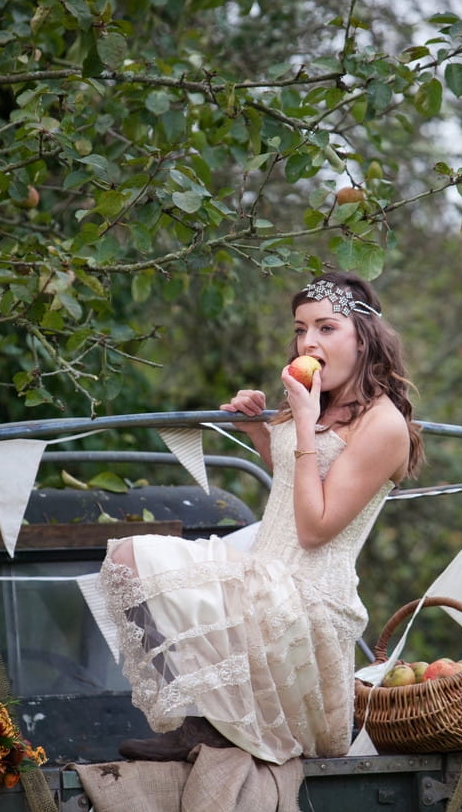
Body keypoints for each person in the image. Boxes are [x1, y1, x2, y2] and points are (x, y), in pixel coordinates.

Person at [99, 270, 424, 765]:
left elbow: (315, 530)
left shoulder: (383, 424)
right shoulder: (324, 404)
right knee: (126, 560)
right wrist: (260, 431)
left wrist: (302, 422)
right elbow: (300, 483)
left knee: (136, 558)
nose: (307, 343)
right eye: (300, 329)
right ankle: (200, 721)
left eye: (325, 328)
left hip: (308, 599)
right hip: (265, 573)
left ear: (364, 339)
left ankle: (218, 727)